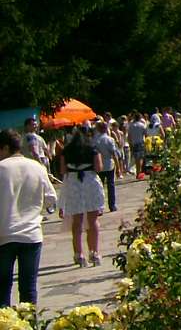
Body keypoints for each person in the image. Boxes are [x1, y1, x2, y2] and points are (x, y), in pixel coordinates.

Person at [0, 128, 58, 306]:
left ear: (4, 148)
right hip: (31, 234)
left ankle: (5, 329)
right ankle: (30, 329)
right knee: (28, 287)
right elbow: (51, 199)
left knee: (2, 288)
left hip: (4, 234)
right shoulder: (37, 167)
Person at [60, 124, 106, 267]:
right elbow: (98, 168)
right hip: (90, 182)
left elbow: (62, 170)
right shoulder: (92, 148)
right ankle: (94, 252)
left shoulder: (66, 150)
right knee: (93, 221)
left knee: (77, 221)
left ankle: (79, 254)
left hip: (73, 183)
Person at [93, 120, 119, 212]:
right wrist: (118, 167)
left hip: (98, 165)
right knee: (111, 186)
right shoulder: (109, 139)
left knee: (99, 187)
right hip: (109, 164)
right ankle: (112, 205)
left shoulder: (94, 140)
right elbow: (114, 154)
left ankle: (100, 207)